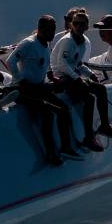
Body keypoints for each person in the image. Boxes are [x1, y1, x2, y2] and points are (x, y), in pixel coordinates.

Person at [6, 15, 82, 166]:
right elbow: (10, 62)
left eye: (53, 29)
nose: (52, 33)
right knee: (47, 114)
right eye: (49, 30)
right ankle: (50, 154)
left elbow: (44, 66)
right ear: (40, 29)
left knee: (63, 109)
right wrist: (21, 81)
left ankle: (65, 147)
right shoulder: (28, 43)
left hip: (39, 88)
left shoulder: (46, 45)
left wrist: (53, 78)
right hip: (24, 90)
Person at [51, 8, 112, 152]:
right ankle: (89, 138)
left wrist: (90, 74)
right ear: (71, 25)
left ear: (86, 27)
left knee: (101, 89)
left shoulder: (83, 42)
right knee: (89, 99)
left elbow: (78, 64)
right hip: (61, 78)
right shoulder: (68, 41)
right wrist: (77, 78)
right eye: (75, 23)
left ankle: (105, 125)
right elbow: (62, 64)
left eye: (82, 24)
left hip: (72, 76)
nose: (78, 26)